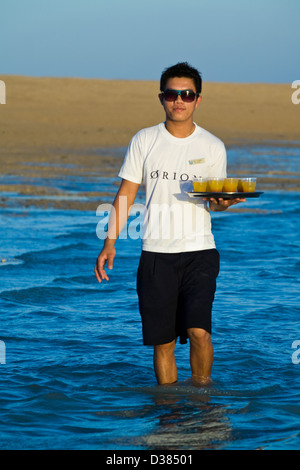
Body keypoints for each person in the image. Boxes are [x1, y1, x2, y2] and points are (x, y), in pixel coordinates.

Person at [95, 62, 245, 386]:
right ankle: (171, 415)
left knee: (199, 332)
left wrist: (223, 203)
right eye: (172, 94)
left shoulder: (213, 146)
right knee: (162, 343)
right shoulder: (144, 140)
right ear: (161, 97)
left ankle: (203, 402)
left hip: (200, 252)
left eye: (187, 94)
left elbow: (214, 204)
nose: (179, 100)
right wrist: (110, 243)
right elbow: (126, 194)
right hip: (155, 254)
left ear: (198, 100)